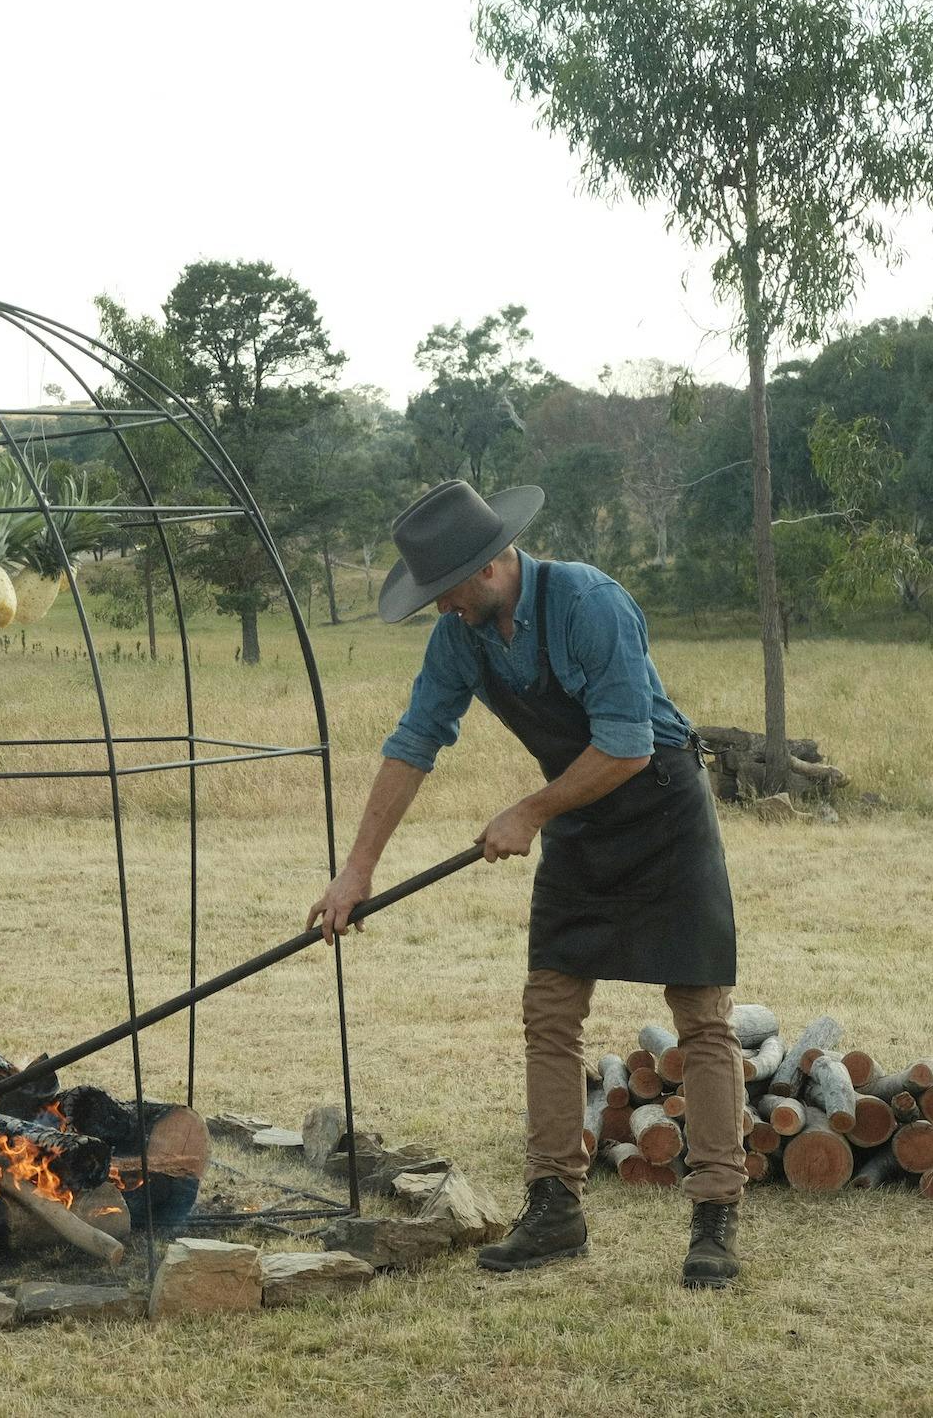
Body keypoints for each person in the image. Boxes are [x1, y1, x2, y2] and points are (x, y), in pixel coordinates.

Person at [306, 479, 744, 1290]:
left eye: (444, 593)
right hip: (579, 818)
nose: (439, 610)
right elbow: (413, 744)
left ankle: (714, 1216)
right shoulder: (463, 638)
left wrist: (529, 812)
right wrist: (357, 869)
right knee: (550, 1008)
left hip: (660, 806)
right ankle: (555, 1210)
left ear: (488, 568)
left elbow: (627, 746)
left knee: (702, 1019)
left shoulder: (589, 603)